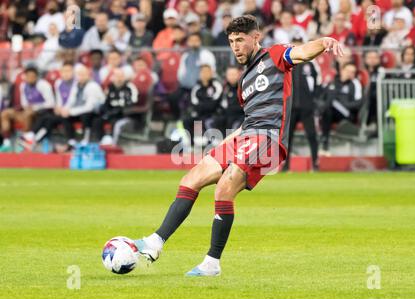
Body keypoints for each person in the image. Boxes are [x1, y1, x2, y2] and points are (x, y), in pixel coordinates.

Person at [132, 15, 343, 276]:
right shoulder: (243, 82)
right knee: (192, 177)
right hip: (246, 136)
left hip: (268, 139)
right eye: (231, 41)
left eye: (240, 40)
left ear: (256, 37)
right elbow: (248, 121)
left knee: (224, 187)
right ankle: (155, 242)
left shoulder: (275, 56)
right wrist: (224, 144)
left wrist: (323, 42)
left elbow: (301, 53)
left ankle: (212, 263)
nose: (235, 46)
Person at [284, 36, 320, 171]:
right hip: (291, 106)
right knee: (288, 138)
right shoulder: (286, 64)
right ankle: (286, 166)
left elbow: (317, 84)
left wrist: (313, 101)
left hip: (306, 107)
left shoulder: (310, 65)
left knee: (312, 135)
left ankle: (315, 164)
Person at [0, 66, 55, 152]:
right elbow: (24, 102)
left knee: (27, 114)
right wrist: (27, 107)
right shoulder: (23, 85)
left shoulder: (43, 85)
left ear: (36, 76)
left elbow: (51, 103)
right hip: (27, 110)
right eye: (28, 76)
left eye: (32, 76)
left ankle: (24, 141)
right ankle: (6, 141)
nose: (30, 79)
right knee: (5, 113)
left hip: (40, 113)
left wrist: (35, 107)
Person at [319, 62, 363, 155]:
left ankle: (324, 141)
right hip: (333, 112)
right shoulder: (333, 82)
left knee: (330, 105)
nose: (350, 74)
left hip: (347, 114)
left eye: (352, 72)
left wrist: (345, 104)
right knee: (327, 110)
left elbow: (359, 103)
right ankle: (324, 142)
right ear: (342, 71)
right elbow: (322, 97)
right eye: (348, 71)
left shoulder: (355, 83)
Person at [93, 68, 139, 146]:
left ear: (124, 77)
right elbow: (105, 102)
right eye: (117, 76)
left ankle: (113, 144)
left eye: (121, 76)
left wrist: (121, 110)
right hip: (111, 112)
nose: (119, 79)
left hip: (124, 113)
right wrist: (107, 112)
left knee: (114, 122)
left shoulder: (130, 87)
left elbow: (134, 102)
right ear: (113, 78)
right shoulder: (110, 88)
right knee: (97, 121)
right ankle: (100, 142)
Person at [182, 64, 223, 146]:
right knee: (187, 120)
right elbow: (195, 104)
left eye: (207, 72)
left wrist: (204, 105)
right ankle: (191, 143)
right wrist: (206, 104)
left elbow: (214, 104)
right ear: (200, 74)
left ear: (211, 73)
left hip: (214, 114)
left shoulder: (217, 86)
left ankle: (214, 141)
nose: (205, 74)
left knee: (210, 121)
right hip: (200, 115)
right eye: (203, 72)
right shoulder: (196, 88)